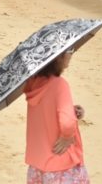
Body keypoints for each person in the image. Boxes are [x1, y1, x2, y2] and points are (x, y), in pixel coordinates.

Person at [24, 46, 89, 184]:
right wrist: (67, 136)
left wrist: (71, 110)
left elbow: (45, 113)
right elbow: (67, 123)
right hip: (60, 165)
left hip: (36, 164)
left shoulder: (33, 85)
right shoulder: (60, 84)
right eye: (70, 50)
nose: (71, 54)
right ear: (58, 57)